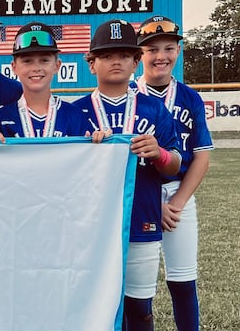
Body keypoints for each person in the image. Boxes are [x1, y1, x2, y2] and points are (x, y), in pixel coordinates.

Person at [74, 19, 181, 331]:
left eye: (123, 54)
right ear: (91, 64)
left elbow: (175, 162)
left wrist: (158, 152)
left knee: (140, 309)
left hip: (142, 219)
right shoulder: (74, 111)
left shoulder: (155, 109)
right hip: (90, 225)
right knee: (96, 306)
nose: (116, 61)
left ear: (136, 61)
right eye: (107, 55)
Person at [136, 15, 213, 331]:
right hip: (140, 195)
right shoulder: (128, 94)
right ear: (140, 54)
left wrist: (178, 203)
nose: (160, 56)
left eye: (168, 48)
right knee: (137, 288)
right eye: (152, 49)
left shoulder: (189, 97)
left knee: (182, 280)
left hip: (177, 194)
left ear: (178, 51)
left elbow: (202, 156)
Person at [0, 22, 97, 139]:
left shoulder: (75, 115)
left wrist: (102, 142)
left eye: (44, 60)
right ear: (14, 67)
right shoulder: (1, 119)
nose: (36, 68)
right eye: (27, 61)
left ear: (57, 65)